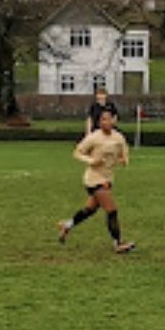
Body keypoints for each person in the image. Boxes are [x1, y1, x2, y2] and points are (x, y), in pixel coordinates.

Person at [57, 108, 135, 253]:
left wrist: (124, 160)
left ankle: (67, 225)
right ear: (99, 122)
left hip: (108, 178)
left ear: (114, 120)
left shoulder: (119, 138)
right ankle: (118, 243)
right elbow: (77, 152)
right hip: (94, 179)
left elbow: (124, 154)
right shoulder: (94, 137)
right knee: (112, 210)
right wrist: (91, 160)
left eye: (108, 119)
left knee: (89, 210)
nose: (106, 122)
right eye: (103, 119)